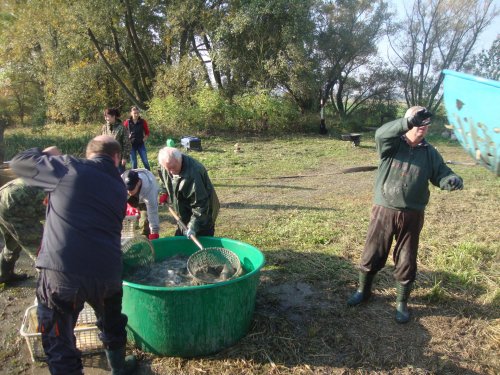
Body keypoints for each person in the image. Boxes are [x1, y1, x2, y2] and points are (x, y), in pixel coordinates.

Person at [10, 136, 136, 375]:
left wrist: (46, 153)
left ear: (89, 154)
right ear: (117, 158)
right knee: (111, 323)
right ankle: (119, 369)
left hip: (63, 272)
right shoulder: (120, 187)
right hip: (107, 272)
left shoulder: (67, 166)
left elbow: (20, 163)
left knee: (59, 340)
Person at [347, 106, 464, 324]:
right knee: (373, 252)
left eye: (426, 122)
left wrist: (451, 180)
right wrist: (408, 121)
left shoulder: (430, 152)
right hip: (384, 209)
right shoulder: (392, 145)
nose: (422, 126)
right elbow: (381, 133)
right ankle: (363, 291)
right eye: (418, 121)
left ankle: (402, 302)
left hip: (413, 214)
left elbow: (442, 174)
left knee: (407, 258)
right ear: (408, 121)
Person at [157, 147, 219, 238]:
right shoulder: (166, 166)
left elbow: (201, 205)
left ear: (180, 160)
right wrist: (164, 192)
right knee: (181, 241)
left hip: (204, 214)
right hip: (184, 210)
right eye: (168, 168)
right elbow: (164, 178)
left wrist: (193, 227)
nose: (171, 171)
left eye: (173, 167)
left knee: (201, 238)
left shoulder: (194, 174)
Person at [0, 178, 46, 284]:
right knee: (42, 250)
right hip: (17, 202)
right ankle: (49, 292)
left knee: (12, 244)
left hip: (6, 195)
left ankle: (4, 275)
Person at [121, 168, 160, 239]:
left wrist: (154, 231)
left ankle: (145, 240)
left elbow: (153, 212)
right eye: (127, 189)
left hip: (144, 197)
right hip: (131, 197)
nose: (129, 192)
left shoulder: (150, 189)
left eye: (131, 188)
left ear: (138, 182)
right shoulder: (121, 179)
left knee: (145, 222)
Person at [101, 108, 131, 173]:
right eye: (105, 117)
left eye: (107, 116)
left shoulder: (121, 128)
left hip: (118, 159)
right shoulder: (104, 127)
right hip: (107, 158)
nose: (106, 118)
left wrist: (125, 157)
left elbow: (127, 144)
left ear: (113, 116)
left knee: (120, 178)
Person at [123, 106, 151, 170]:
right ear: (131, 113)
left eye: (137, 113)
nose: (136, 114)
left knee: (145, 161)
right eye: (134, 113)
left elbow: (147, 133)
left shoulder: (143, 121)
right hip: (131, 145)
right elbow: (123, 133)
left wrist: (143, 140)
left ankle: (149, 175)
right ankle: (134, 177)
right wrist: (127, 137)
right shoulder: (127, 122)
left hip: (140, 144)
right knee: (134, 163)